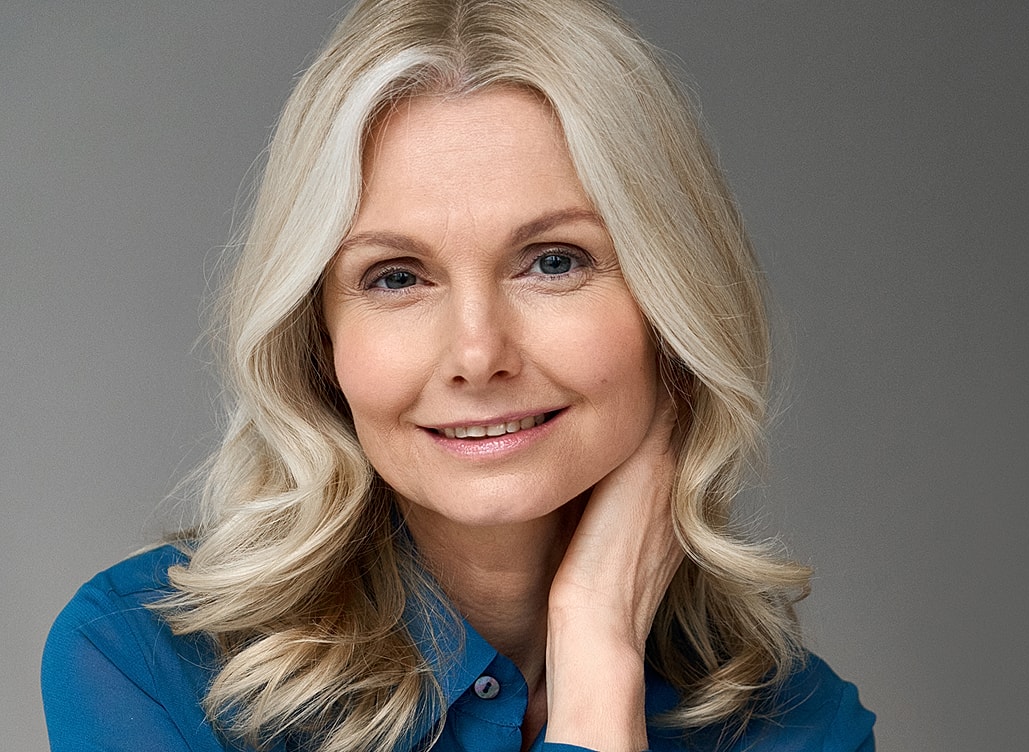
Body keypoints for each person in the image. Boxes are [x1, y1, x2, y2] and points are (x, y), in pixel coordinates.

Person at [41, 1, 875, 750]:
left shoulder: (796, 728)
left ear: (672, 304)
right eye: (396, 277)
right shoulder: (146, 666)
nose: (478, 356)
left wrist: (598, 642)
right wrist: (590, 721)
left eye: (553, 262)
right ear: (317, 339)